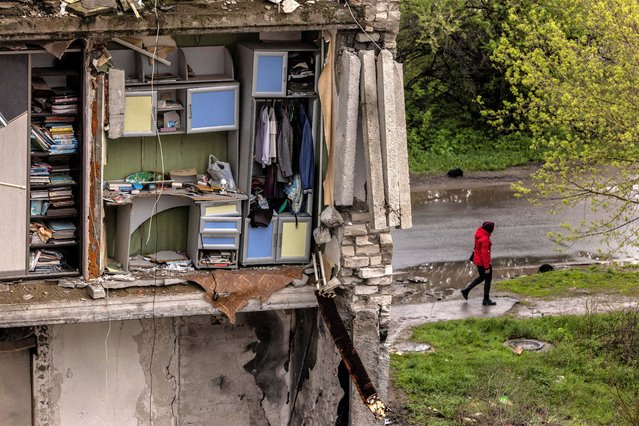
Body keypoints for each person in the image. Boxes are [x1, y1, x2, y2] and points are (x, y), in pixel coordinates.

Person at [461, 221, 496, 305]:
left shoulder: (479, 233)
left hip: (478, 260)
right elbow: (485, 254)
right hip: (483, 262)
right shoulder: (485, 239)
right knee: (488, 279)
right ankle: (486, 299)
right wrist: (487, 267)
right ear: (490, 230)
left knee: (482, 277)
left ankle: (466, 290)